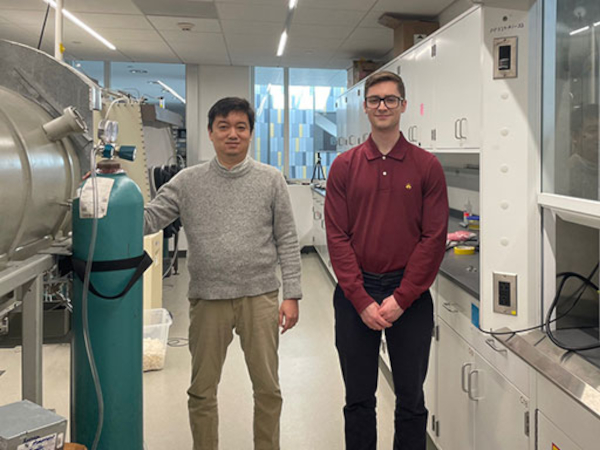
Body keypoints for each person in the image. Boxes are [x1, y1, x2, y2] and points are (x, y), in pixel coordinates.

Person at [143, 97, 302, 450]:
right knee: (201, 390)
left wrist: (291, 294)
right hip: (207, 298)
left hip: (258, 298)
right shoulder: (188, 181)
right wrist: (108, 197)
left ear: (250, 133)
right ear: (211, 133)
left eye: (241, 127)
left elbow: (287, 239)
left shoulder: (271, 180)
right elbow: (149, 219)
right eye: (224, 127)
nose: (233, 134)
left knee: (267, 389)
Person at [324, 71, 448, 450]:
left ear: (403, 106)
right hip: (354, 294)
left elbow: (433, 238)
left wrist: (402, 298)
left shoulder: (427, 166)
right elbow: (337, 236)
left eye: (390, 99)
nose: (382, 106)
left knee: (411, 400)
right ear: (365, 108)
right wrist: (360, 300)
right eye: (375, 100)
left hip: (407, 295)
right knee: (358, 398)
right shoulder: (344, 166)